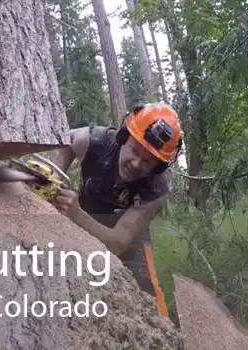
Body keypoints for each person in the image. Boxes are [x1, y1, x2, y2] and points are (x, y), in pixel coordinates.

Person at [49, 103, 183, 318]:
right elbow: (68, 141)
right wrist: (55, 177)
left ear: (158, 166)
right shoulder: (97, 140)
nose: (137, 163)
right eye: (134, 151)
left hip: (127, 235)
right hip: (86, 214)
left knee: (147, 292)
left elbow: (119, 243)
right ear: (123, 137)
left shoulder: (155, 191)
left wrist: (75, 215)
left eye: (148, 161)